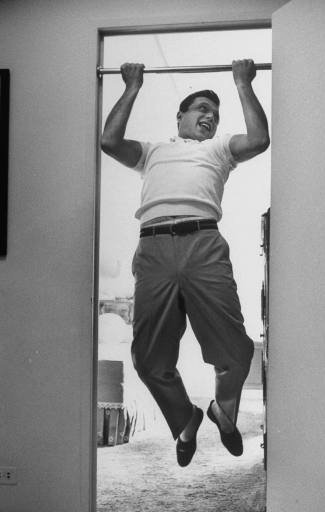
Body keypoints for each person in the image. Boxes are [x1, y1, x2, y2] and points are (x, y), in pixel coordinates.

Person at [101, 59, 270, 467]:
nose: (209, 116)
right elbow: (109, 141)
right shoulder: (153, 151)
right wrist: (133, 86)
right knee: (148, 359)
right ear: (180, 117)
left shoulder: (218, 148)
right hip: (154, 248)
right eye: (200, 109)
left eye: (214, 113)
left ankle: (223, 413)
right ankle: (185, 418)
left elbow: (260, 138)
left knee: (236, 349)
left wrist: (241, 82)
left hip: (203, 243)